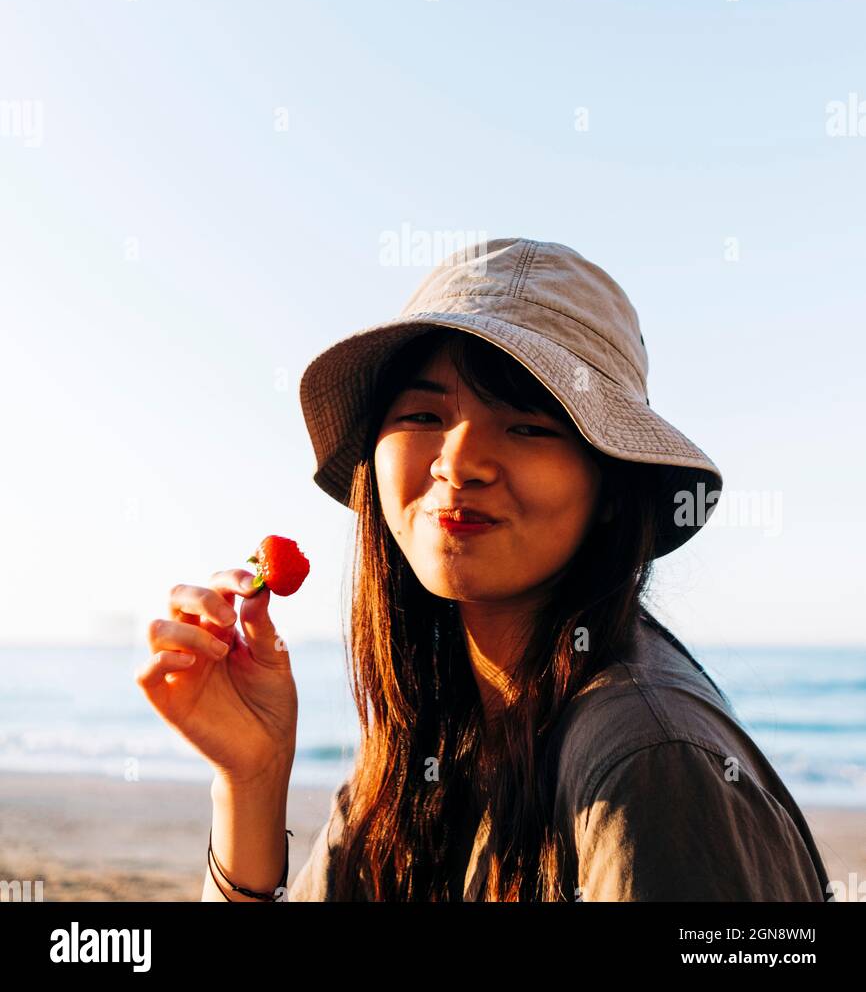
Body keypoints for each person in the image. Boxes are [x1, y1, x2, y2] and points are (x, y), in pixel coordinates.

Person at [136, 237, 832, 901]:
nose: (459, 462)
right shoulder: (428, 736)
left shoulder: (649, 761)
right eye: (422, 413)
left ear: (614, 490)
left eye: (528, 424)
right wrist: (250, 779)